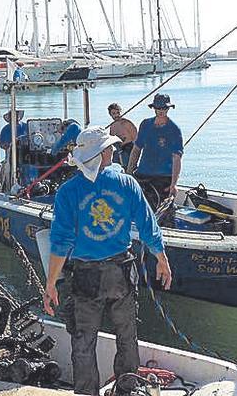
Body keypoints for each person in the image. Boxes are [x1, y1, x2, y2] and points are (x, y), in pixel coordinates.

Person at [43, 126, 172, 396]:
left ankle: (86, 392)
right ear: (101, 154)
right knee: (127, 335)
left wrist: (51, 283)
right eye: (109, 147)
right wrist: (161, 259)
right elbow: (148, 227)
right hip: (121, 273)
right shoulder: (126, 183)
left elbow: (61, 243)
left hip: (85, 278)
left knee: (84, 341)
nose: (114, 150)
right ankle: (127, 390)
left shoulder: (69, 192)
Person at [126, 93, 183, 205]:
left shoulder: (174, 129)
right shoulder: (145, 124)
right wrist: (129, 172)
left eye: (164, 108)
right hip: (143, 175)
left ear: (168, 108)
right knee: (138, 208)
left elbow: (177, 158)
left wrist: (173, 184)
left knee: (161, 213)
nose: (161, 111)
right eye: (158, 107)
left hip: (163, 178)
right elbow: (136, 149)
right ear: (154, 108)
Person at [107, 103, 138, 167]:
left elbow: (136, 137)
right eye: (114, 113)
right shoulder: (112, 126)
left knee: (124, 156)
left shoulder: (126, 123)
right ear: (110, 115)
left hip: (130, 147)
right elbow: (111, 140)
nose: (116, 115)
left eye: (118, 113)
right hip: (119, 148)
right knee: (114, 157)